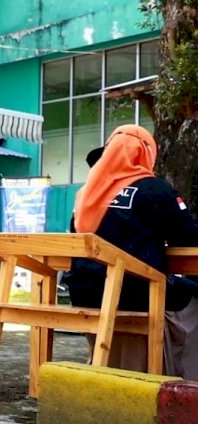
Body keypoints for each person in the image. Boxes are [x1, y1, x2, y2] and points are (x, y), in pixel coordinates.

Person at [62, 124, 198, 378]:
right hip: (135, 294)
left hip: (85, 294)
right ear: (145, 154)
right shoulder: (154, 189)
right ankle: (183, 378)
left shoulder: (84, 196)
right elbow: (188, 237)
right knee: (191, 291)